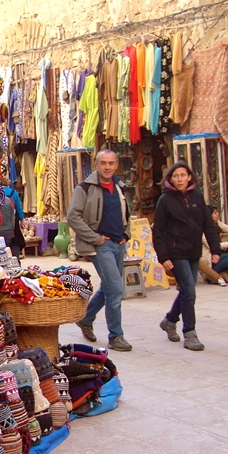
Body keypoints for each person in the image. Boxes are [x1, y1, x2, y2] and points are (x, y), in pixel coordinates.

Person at [152, 161, 222, 351]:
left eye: (183, 175)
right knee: (190, 291)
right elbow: (158, 231)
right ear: (171, 179)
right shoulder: (165, 200)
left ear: (189, 177)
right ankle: (190, 333)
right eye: (176, 176)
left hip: (193, 251)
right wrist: (163, 256)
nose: (179, 179)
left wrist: (215, 249)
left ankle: (169, 320)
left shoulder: (197, 198)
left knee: (185, 292)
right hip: (175, 252)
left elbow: (208, 224)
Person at [67, 148, 132, 351]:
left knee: (108, 288)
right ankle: (116, 335)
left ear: (116, 165)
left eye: (111, 163)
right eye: (103, 163)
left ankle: (86, 319)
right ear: (96, 164)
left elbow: (125, 212)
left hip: (118, 244)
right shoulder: (85, 187)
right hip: (100, 246)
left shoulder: (119, 186)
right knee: (116, 290)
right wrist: (95, 238)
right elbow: (73, 216)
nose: (107, 167)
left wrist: (126, 234)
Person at [0, 176, 25, 259]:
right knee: (14, 240)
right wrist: (21, 219)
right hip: (11, 218)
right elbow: (19, 208)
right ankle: (14, 258)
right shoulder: (13, 192)